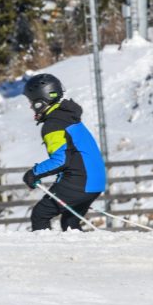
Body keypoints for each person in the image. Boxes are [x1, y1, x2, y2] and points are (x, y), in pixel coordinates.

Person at [20, 74, 106, 231]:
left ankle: (45, 253)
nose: (31, 107)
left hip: (80, 182)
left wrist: (34, 173)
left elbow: (61, 160)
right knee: (70, 222)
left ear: (41, 101)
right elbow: (74, 156)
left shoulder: (53, 125)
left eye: (32, 102)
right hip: (95, 181)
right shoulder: (68, 118)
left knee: (40, 214)